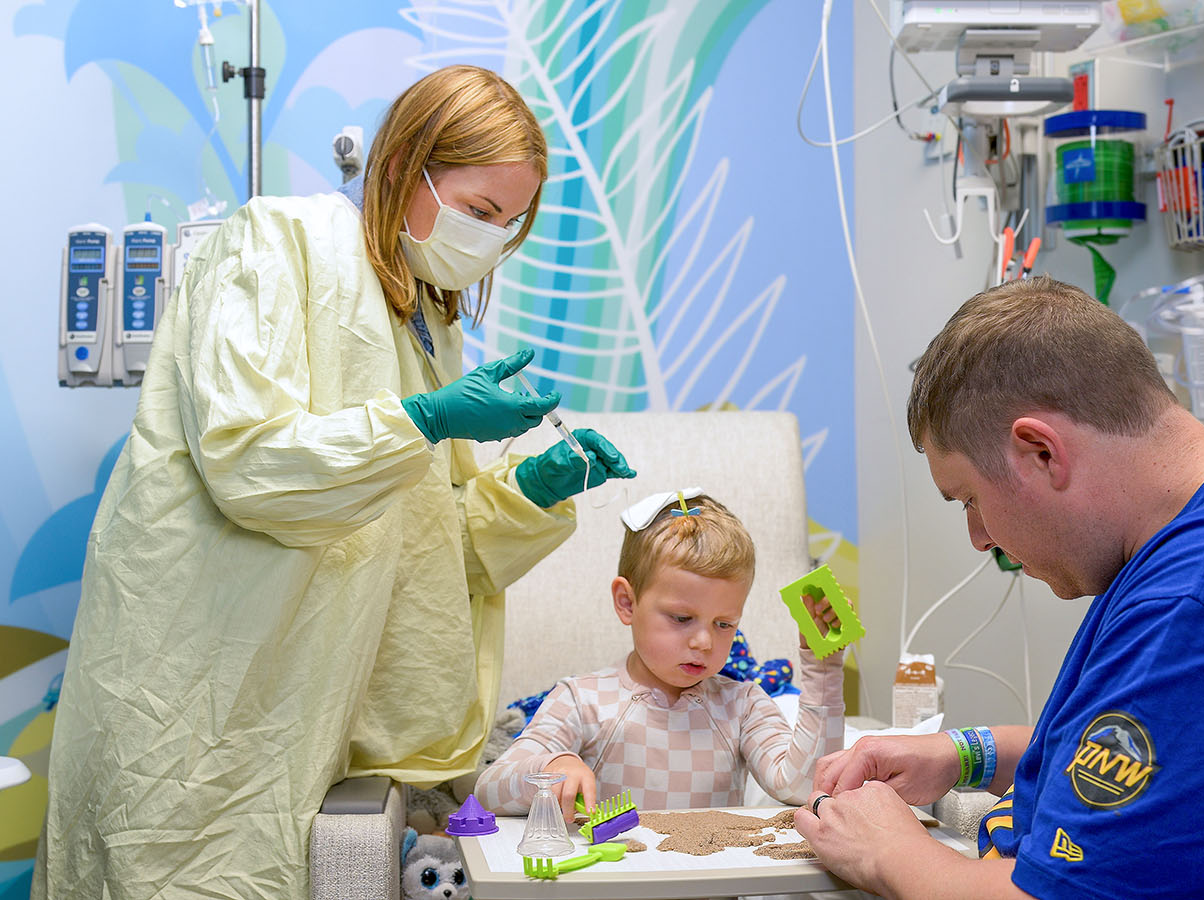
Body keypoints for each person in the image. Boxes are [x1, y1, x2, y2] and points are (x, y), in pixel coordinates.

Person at [33, 65, 635, 900]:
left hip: (312, 707)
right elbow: (250, 463)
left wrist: (530, 490)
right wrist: (426, 420)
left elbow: (421, 557)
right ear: (404, 167)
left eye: (509, 224)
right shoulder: (278, 243)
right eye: (479, 210)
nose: (491, 240)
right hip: (204, 690)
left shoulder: (426, 322)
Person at [795, 276, 1204, 899]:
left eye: (969, 499)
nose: (978, 537)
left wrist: (887, 852)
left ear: (1040, 451)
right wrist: (964, 754)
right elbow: (1173, 757)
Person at [475, 489, 847, 815]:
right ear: (626, 602)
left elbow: (804, 787)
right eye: (682, 618)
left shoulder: (742, 705)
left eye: (724, 624)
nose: (704, 642)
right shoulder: (581, 701)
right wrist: (551, 767)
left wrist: (824, 668)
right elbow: (489, 790)